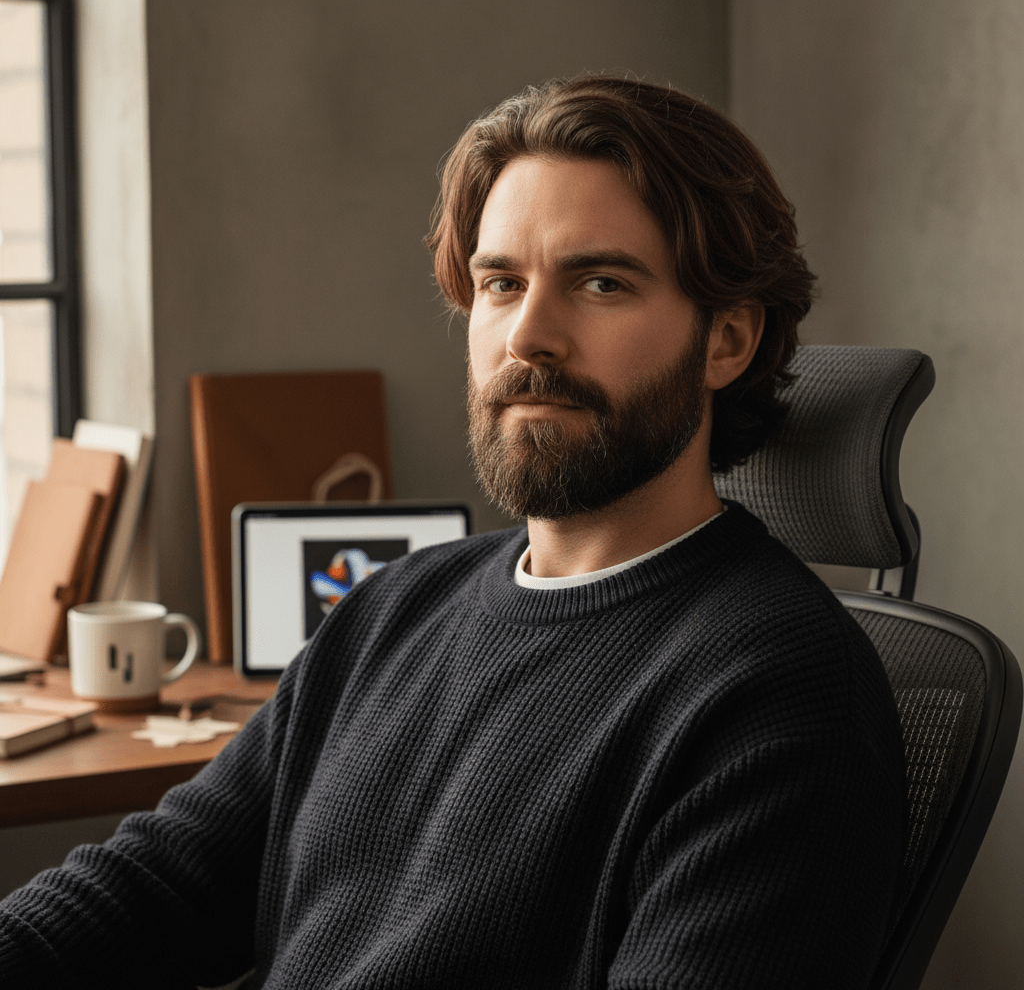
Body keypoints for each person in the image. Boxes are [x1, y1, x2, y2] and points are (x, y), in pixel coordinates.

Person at [0, 76, 906, 989]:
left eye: (600, 283)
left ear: (727, 342)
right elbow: (158, 881)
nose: (529, 336)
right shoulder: (394, 606)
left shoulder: (779, 696)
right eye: (501, 283)